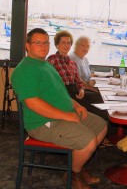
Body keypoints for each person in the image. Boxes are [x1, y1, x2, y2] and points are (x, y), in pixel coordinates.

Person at [11, 28, 107, 189]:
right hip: (43, 123)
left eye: (46, 42)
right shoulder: (25, 70)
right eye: (37, 43)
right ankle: (73, 174)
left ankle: (78, 165)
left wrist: (76, 105)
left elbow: (61, 92)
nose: (43, 46)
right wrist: (66, 116)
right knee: (89, 141)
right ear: (27, 45)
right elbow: (33, 103)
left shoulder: (46, 65)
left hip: (63, 114)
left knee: (101, 125)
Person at [47, 31, 105, 119]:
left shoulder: (72, 63)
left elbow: (78, 81)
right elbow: (49, 82)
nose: (66, 45)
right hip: (64, 93)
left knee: (99, 98)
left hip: (76, 91)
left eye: (68, 43)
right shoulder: (52, 59)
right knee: (97, 111)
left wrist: (81, 89)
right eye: (63, 42)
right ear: (57, 45)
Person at [69, 36, 103, 103]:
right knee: (100, 96)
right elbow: (78, 80)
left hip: (87, 87)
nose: (85, 48)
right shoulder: (72, 58)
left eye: (87, 46)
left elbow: (89, 76)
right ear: (76, 46)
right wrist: (93, 89)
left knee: (103, 91)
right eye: (83, 45)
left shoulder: (85, 59)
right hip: (79, 91)